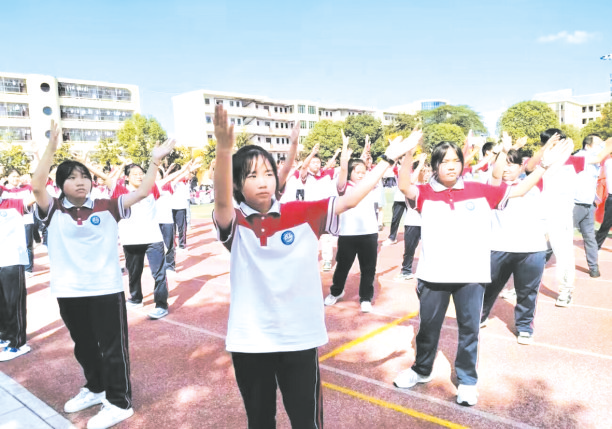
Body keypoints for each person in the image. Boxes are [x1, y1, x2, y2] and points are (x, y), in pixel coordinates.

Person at [212, 104, 421, 428]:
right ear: (237, 184)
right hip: (250, 341)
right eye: (251, 176)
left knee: (306, 421)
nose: (263, 181)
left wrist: (387, 159)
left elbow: (351, 199)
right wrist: (224, 151)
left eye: (268, 173)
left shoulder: (303, 213)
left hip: (299, 338)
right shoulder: (236, 222)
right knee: (260, 421)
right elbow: (222, 200)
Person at [393, 136, 572, 406]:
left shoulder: (480, 190)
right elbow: (404, 185)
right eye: (444, 161)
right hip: (433, 276)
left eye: (456, 160)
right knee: (428, 329)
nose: (451, 166)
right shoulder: (424, 193)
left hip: (472, 277)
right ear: (435, 165)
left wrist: (543, 166)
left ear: (462, 164)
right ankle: (421, 370)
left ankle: (467, 380)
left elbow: (520, 189)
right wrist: (408, 154)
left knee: (470, 330)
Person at [31, 120, 175, 429]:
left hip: (105, 290)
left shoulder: (108, 205)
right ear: (60, 184)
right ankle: (95, 387)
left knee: (112, 349)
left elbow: (143, 191)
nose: (80, 182)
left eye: (84, 176)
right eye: (72, 178)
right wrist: (50, 150)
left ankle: (119, 402)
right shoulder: (53, 208)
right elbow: (37, 186)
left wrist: (154, 162)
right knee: (83, 346)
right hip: (69, 291)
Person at [525, 129, 611, 306]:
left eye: (561, 144)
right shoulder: (542, 161)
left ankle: (566, 291)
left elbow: (598, 157)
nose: (558, 148)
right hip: (538, 212)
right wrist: (547, 148)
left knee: (563, 254)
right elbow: (529, 168)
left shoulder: (574, 160)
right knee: (528, 252)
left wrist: (608, 143)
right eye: (553, 144)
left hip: (561, 214)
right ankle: (522, 286)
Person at [480, 133, 548, 345]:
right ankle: (480, 315)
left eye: (513, 164)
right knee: (488, 287)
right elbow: (496, 173)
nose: (507, 169)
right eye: (505, 164)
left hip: (532, 249)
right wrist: (503, 151)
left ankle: (524, 326)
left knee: (527, 291)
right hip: (499, 246)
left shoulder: (535, 184)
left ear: (521, 167)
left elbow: (535, 170)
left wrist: (547, 148)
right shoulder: (493, 185)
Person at [324, 132, 379, 312]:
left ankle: (365, 298)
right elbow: (343, 171)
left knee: (368, 269)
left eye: (364, 172)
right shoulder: (343, 187)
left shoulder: (370, 184)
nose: (362, 175)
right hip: (348, 234)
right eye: (358, 172)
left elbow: (374, 169)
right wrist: (344, 154)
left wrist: (367, 152)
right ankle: (336, 291)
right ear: (350, 172)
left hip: (369, 233)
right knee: (342, 266)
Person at [573, 135, 612, 277]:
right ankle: (543, 258)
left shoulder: (594, 158)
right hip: (575, 205)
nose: (601, 146)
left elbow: (605, 146)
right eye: (598, 144)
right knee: (559, 236)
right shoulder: (580, 156)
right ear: (588, 146)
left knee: (590, 237)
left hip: (588, 205)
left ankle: (594, 268)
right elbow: (602, 152)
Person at [0, 188, 30, 361]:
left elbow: (36, 195)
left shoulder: (13, 204)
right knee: (2, 304)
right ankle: (4, 335)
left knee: (13, 303)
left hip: (11, 259)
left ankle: (18, 343)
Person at [394, 153, 430, 282]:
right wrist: (420, 164)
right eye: (424, 171)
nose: (427, 174)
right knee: (409, 249)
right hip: (413, 222)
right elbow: (411, 180)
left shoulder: (431, 186)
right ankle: (406, 271)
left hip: (427, 223)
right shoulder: (412, 186)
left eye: (428, 171)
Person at [3, 170, 36, 278]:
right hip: (9, 222)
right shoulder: (3, 190)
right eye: (13, 176)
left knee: (27, 245)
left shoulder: (27, 188)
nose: (15, 179)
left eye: (17, 176)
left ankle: (28, 269)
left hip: (26, 220)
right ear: (7, 178)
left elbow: (34, 198)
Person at [596, 146, 612, 248]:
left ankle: (596, 246)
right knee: (606, 224)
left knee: (606, 224)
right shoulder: (609, 162)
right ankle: (596, 246)